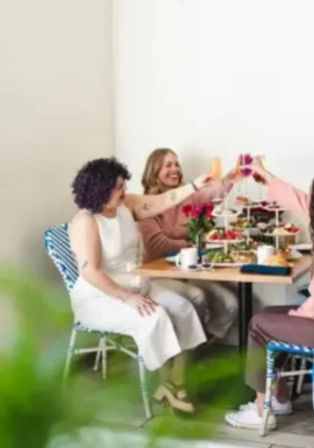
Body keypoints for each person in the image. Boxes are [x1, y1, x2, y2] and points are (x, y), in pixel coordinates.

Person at [225, 172, 314, 429]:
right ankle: (279, 396)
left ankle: (262, 410)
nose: (310, 202)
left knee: (259, 325)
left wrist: (294, 315)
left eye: (313, 197)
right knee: (271, 313)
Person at [69, 157, 210, 413]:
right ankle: (165, 385)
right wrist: (126, 297)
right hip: (100, 295)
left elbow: (161, 201)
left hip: (136, 284)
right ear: (101, 189)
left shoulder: (125, 205)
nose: (125, 191)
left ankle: (173, 385)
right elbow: (90, 271)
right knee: (155, 316)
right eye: (119, 187)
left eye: (124, 185)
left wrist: (196, 185)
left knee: (183, 308)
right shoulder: (86, 221)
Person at [137, 148, 239, 340]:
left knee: (231, 304)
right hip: (158, 273)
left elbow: (210, 194)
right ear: (154, 171)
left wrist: (229, 180)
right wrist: (193, 244)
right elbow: (157, 245)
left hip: (188, 270)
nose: (175, 169)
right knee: (197, 296)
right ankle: (189, 346)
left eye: (176, 164)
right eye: (168, 165)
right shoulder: (146, 205)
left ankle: (200, 344)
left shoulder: (187, 196)